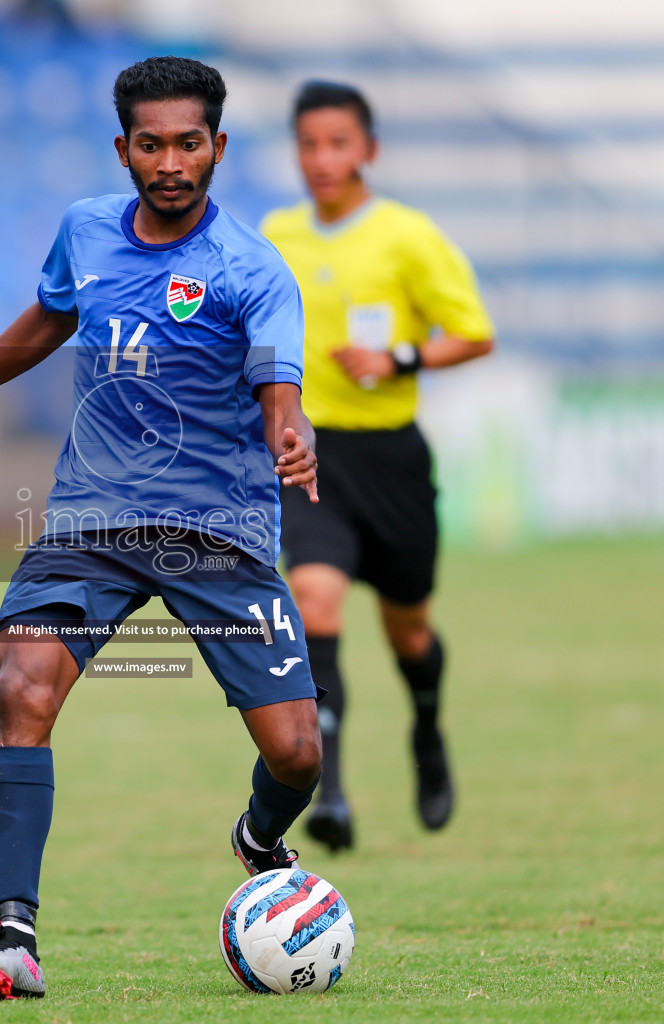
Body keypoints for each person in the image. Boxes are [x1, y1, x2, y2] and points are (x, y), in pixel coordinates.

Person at [0, 57, 324, 1001]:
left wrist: (292, 432)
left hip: (220, 528)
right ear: (123, 147)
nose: (171, 162)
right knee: (22, 687)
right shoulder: (85, 231)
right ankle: (14, 935)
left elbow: (279, 391)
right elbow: (46, 321)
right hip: (90, 519)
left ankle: (256, 837)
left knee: (297, 752)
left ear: (218, 147)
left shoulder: (252, 270)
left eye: (190, 144)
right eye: (152, 144)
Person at [261, 81, 495, 850]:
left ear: (369, 150)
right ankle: (329, 792)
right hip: (310, 454)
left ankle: (427, 731)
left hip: (390, 457)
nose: (322, 159)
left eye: (338, 143)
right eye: (309, 144)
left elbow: (472, 333)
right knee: (315, 603)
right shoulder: (274, 235)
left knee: (410, 633)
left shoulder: (407, 236)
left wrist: (396, 357)